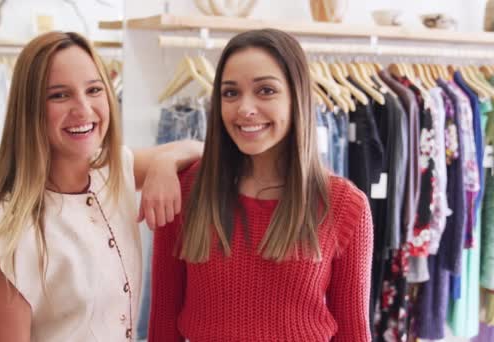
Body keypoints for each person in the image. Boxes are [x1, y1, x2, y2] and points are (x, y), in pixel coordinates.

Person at [0, 31, 202, 341]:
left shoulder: (113, 171)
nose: (83, 109)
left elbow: (201, 149)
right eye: (59, 95)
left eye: (94, 90)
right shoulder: (6, 248)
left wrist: (164, 164)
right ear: (30, 109)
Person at [149, 29, 373, 341]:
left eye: (265, 90)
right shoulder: (186, 192)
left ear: (296, 98)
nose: (245, 108)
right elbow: (162, 322)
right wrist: (165, 161)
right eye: (230, 93)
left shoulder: (344, 204)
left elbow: (353, 333)